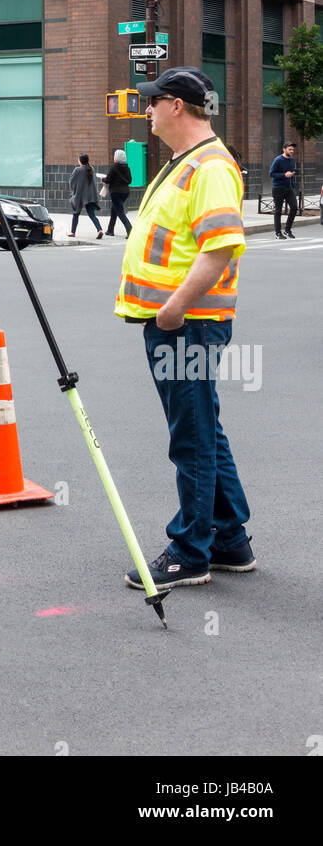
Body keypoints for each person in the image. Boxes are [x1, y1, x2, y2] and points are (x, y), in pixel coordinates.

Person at [114, 67, 254, 591]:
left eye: (152, 102)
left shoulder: (209, 167)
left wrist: (173, 308)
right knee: (203, 428)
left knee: (191, 436)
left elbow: (220, 247)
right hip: (180, 323)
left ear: (176, 105)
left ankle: (190, 550)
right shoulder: (187, 163)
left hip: (186, 324)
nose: (146, 111)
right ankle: (228, 539)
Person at [68, 153, 104, 239]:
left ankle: (73, 232)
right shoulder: (91, 168)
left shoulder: (77, 170)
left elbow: (71, 182)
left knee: (76, 214)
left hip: (80, 196)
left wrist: (74, 190)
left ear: (80, 161)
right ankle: (100, 230)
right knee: (92, 214)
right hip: (90, 196)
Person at [268, 141, 297, 239]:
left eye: (293, 149)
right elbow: (271, 173)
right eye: (290, 149)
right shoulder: (278, 160)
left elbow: (291, 174)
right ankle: (277, 233)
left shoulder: (292, 160)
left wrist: (292, 185)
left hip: (289, 188)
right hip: (278, 188)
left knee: (294, 208)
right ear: (284, 149)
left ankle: (287, 230)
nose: (292, 151)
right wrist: (284, 175)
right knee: (278, 211)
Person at [101, 149, 133, 238]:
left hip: (116, 192)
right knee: (114, 210)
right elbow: (130, 180)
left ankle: (130, 230)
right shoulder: (127, 167)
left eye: (115, 156)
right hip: (125, 192)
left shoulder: (114, 167)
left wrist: (103, 179)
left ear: (117, 158)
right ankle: (110, 230)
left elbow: (108, 180)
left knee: (120, 212)